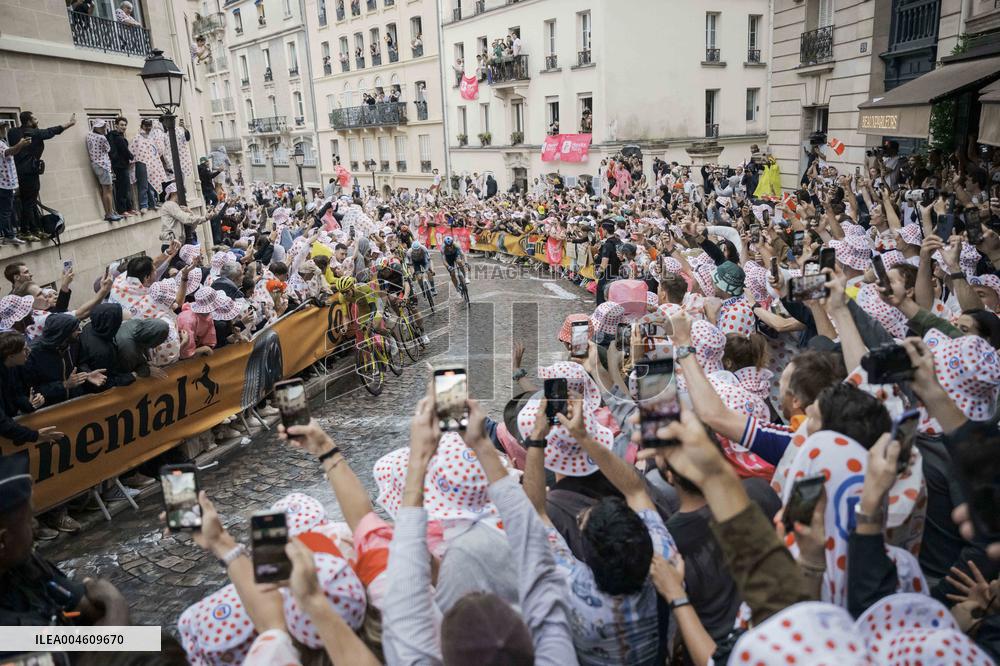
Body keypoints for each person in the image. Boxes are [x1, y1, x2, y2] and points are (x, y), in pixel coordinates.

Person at [0, 455, 130, 631]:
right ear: (2, 541)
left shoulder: (22, 564)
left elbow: (85, 605)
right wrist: (115, 602)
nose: (36, 525)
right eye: (29, 520)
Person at [6, 111, 76, 241]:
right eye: (35, 119)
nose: (37, 121)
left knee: (30, 201)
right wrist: (70, 123)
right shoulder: (35, 133)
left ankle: (35, 229)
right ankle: (24, 230)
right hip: (29, 172)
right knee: (29, 202)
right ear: (28, 122)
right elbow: (53, 130)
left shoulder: (12, 132)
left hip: (17, 172)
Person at [85, 120, 122, 222]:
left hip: (95, 164)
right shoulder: (102, 138)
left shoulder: (89, 135)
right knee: (108, 189)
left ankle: (110, 211)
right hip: (103, 165)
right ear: (96, 127)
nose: (104, 128)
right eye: (101, 127)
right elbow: (108, 149)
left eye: (104, 126)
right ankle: (109, 213)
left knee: (104, 189)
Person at [0, 125, 30, 245]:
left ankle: (9, 235)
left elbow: (12, 152)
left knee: (6, 211)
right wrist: (20, 144)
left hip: (6, 183)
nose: (4, 130)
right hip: (3, 184)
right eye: (1, 128)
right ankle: (9, 235)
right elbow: (9, 152)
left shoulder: (3, 142)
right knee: (5, 212)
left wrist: (21, 145)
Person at [107, 116, 136, 217]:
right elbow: (125, 150)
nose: (124, 127)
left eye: (125, 125)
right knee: (122, 188)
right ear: (116, 125)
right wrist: (132, 157)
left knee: (126, 187)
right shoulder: (117, 137)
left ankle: (129, 208)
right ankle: (122, 210)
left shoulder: (118, 136)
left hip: (122, 165)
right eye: (121, 125)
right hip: (120, 166)